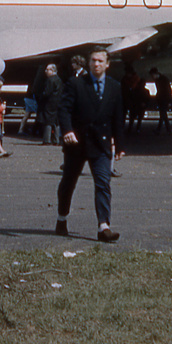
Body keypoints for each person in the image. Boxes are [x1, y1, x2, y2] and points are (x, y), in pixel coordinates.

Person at [56, 49, 124, 242]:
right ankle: (62, 218)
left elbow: (118, 116)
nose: (96, 64)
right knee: (68, 183)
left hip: (101, 145)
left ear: (107, 64)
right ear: (88, 63)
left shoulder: (114, 87)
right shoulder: (76, 83)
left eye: (100, 61)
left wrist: (120, 145)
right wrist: (67, 130)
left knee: (103, 183)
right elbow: (64, 109)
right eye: (93, 60)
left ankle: (104, 227)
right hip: (77, 144)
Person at [40, 63, 63, 146]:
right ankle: (56, 139)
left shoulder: (50, 80)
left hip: (49, 103)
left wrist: (41, 96)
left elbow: (46, 93)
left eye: (47, 69)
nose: (45, 71)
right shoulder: (59, 79)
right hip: (58, 102)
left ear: (52, 70)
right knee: (56, 122)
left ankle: (47, 140)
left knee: (48, 121)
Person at [150, 67, 172, 140]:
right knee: (163, 115)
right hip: (161, 99)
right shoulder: (158, 80)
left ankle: (159, 129)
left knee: (162, 115)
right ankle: (168, 130)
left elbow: (169, 90)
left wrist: (169, 101)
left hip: (164, 99)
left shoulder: (163, 79)